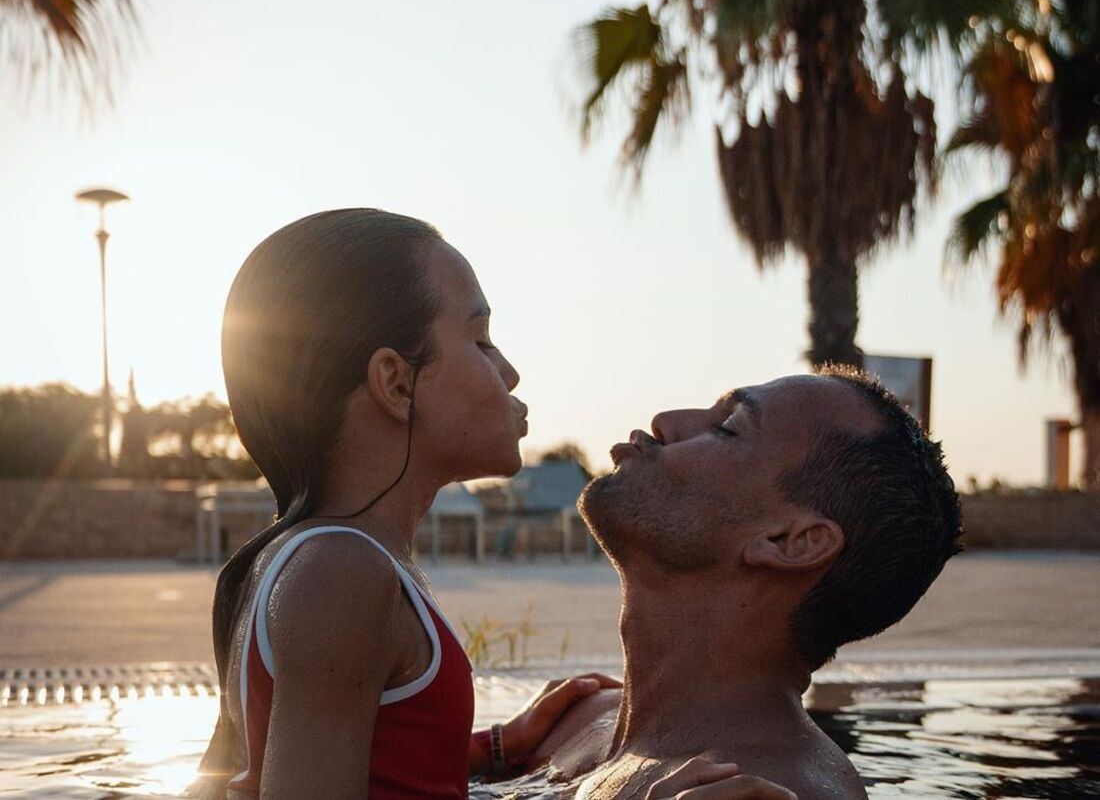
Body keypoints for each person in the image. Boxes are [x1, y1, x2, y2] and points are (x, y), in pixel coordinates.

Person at [194, 208, 790, 800]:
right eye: (481, 340)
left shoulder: (300, 561)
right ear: (397, 384)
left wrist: (492, 747)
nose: (509, 372)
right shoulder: (341, 573)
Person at [528, 369, 963, 800]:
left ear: (791, 542)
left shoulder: (768, 791)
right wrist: (477, 750)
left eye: (727, 428)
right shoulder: (574, 721)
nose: (666, 420)